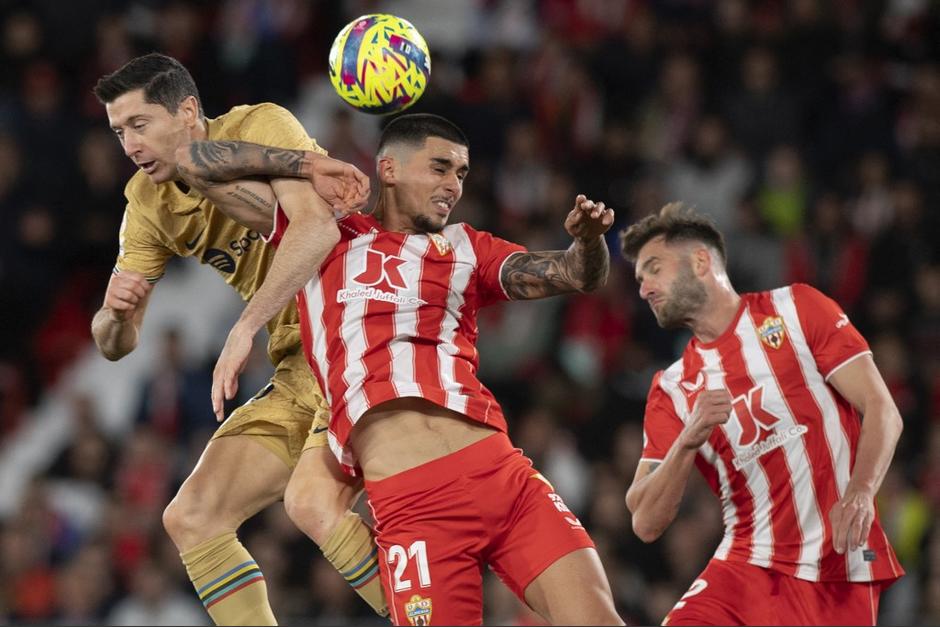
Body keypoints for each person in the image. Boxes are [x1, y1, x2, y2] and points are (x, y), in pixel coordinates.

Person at [194, 114, 624, 625]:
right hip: (413, 507)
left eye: (461, 174)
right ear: (389, 169)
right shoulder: (321, 233)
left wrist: (589, 243)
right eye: (440, 168)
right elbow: (198, 166)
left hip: (502, 476)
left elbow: (576, 275)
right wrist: (309, 163)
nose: (453, 186)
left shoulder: (466, 248)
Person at [91, 53, 388, 624]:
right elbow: (114, 345)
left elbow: (315, 230)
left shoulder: (259, 127)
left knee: (311, 503)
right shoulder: (146, 203)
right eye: (118, 131)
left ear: (187, 112)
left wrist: (244, 327)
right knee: (192, 517)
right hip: (299, 365)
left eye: (139, 124)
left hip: (355, 331)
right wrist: (115, 315)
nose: (129, 144)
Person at [619, 203, 905, 625]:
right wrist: (689, 437)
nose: (644, 289)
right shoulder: (673, 388)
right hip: (745, 566)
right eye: (641, 280)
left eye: (654, 269)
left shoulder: (796, 310)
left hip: (836, 566)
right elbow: (644, 520)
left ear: (700, 261)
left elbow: (882, 409)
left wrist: (862, 491)